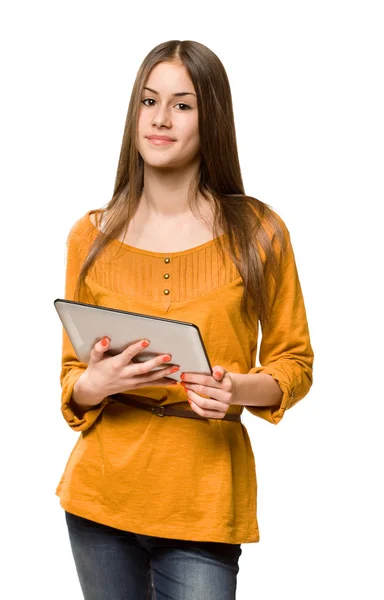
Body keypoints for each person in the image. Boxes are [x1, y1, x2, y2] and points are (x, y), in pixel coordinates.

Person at [56, 39, 314, 600]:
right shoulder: (90, 236)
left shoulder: (260, 232)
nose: (161, 119)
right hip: (100, 493)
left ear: (211, 117)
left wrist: (237, 390)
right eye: (149, 101)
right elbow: (72, 379)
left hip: (202, 497)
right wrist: (93, 385)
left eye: (183, 104)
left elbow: (294, 362)